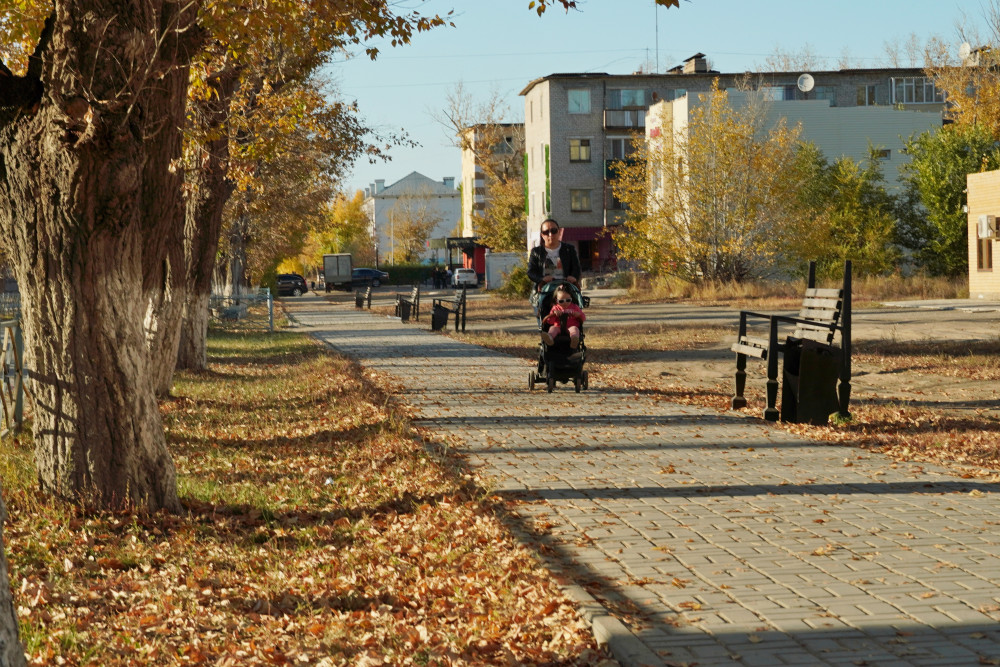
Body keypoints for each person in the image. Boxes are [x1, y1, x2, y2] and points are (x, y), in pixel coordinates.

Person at [527, 218, 582, 290]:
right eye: (546, 232)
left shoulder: (569, 249)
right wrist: (542, 279)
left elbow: (576, 268)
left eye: (553, 231)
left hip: (566, 288)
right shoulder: (536, 252)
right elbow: (531, 272)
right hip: (545, 289)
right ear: (542, 235)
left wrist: (573, 277)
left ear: (559, 232)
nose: (550, 234)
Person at [540, 285, 586, 349]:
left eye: (568, 300)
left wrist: (579, 315)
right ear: (556, 300)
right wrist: (554, 314)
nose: (565, 303)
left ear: (571, 298)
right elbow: (549, 321)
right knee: (552, 329)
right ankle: (549, 338)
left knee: (575, 329)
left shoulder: (575, 307)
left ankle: (574, 340)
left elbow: (583, 319)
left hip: (571, 326)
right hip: (558, 327)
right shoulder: (555, 308)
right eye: (561, 301)